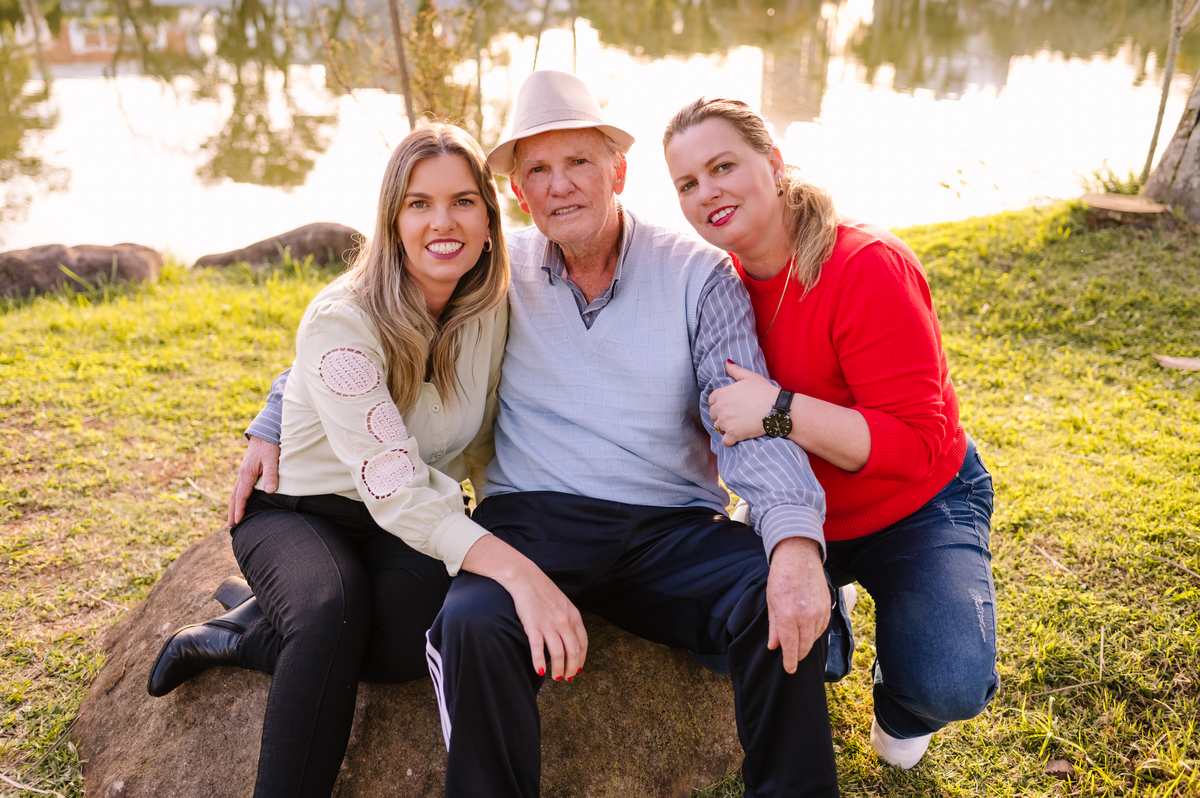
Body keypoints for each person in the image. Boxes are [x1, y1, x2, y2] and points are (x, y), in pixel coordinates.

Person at [236, 71, 842, 797]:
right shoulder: (494, 269)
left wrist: (797, 540)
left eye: (579, 162)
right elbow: (356, 325)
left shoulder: (698, 276)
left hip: (671, 523)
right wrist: (273, 415)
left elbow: (749, 422)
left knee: (768, 593)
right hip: (533, 515)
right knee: (471, 624)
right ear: (517, 192)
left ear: (619, 169)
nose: (560, 188)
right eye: (537, 171)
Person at [147, 123, 513, 798]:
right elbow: (326, 362)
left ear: (491, 220)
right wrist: (510, 563)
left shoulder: (491, 303)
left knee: (420, 634)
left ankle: (248, 630)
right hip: (298, 508)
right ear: (391, 220)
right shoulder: (344, 316)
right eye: (418, 203)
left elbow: (485, 440)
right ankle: (258, 631)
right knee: (331, 608)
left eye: (464, 201)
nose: (444, 221)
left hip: (400, 518)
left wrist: (503, 521)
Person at [662, 97, 999, 770]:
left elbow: (916, 449)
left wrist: (779, 408)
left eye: (723, 166)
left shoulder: (865, 264)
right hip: (803, 510)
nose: (708, 193)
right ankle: (834, 610)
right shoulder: (712, 290)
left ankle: (901, 700)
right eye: (687, 184)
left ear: (774, 163)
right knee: (721, 635)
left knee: (949, 680)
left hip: (918, 506)